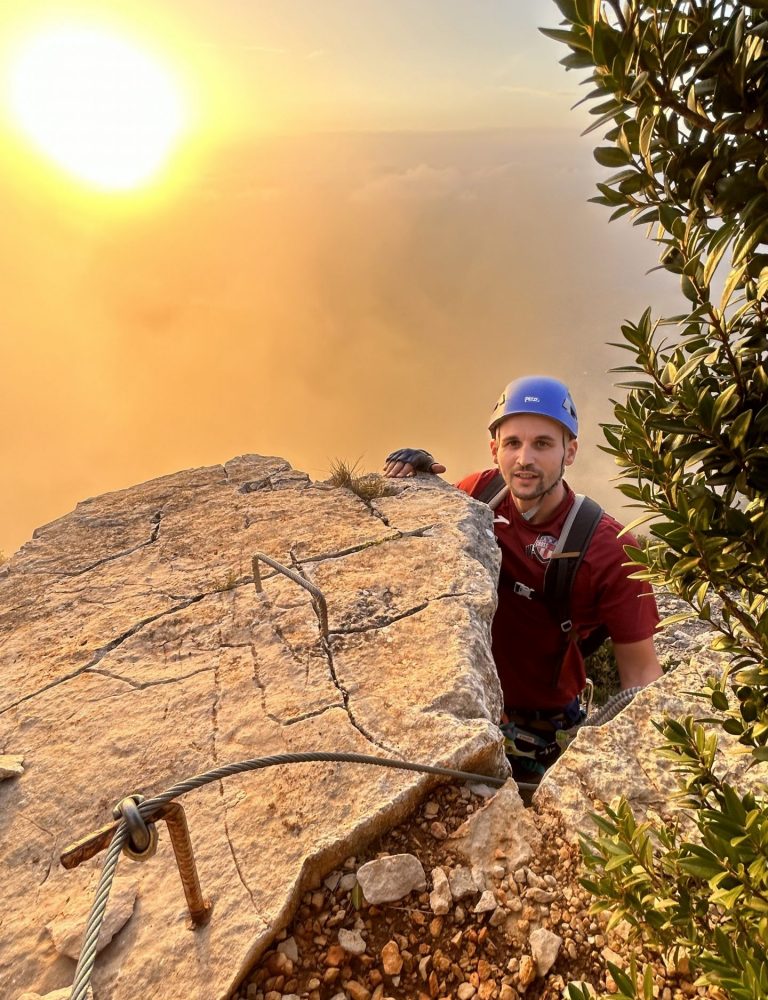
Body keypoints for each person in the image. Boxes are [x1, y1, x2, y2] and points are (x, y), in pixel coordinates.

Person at [384, 375, 662, 779]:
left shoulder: (611, 549)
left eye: (543, 444)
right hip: (466, 702)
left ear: (571, 452)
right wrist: (420, 481)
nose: (524, 459)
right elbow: (420, 547)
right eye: (512, 443)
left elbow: (640, 675)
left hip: (544, 725)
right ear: (494, 448)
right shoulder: (478, 495)